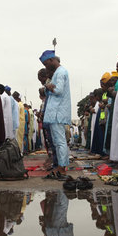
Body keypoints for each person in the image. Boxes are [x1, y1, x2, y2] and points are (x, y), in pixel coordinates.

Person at [40, 50, 71, 179]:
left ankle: (62, 168)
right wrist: (48, 87)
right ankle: (60, 166)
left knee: (60, 142)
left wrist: (48, 86)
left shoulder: (61, 72)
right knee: (58, 142)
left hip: (58, 112)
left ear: (52, 60)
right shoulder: (57, 73)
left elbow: (58, 90)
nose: (46, 67)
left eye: (46, 64)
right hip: (54, 113)